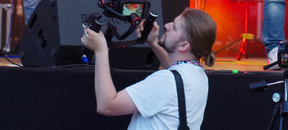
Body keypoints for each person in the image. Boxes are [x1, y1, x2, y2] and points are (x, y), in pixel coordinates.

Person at [80, 8, 217, 130]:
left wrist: (101, 51)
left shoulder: (165, 81)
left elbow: (107, 106)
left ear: (183, 46)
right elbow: (176, 77)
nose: (167, 25)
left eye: (174, 27)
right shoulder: (198, 74)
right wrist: (153, 42)